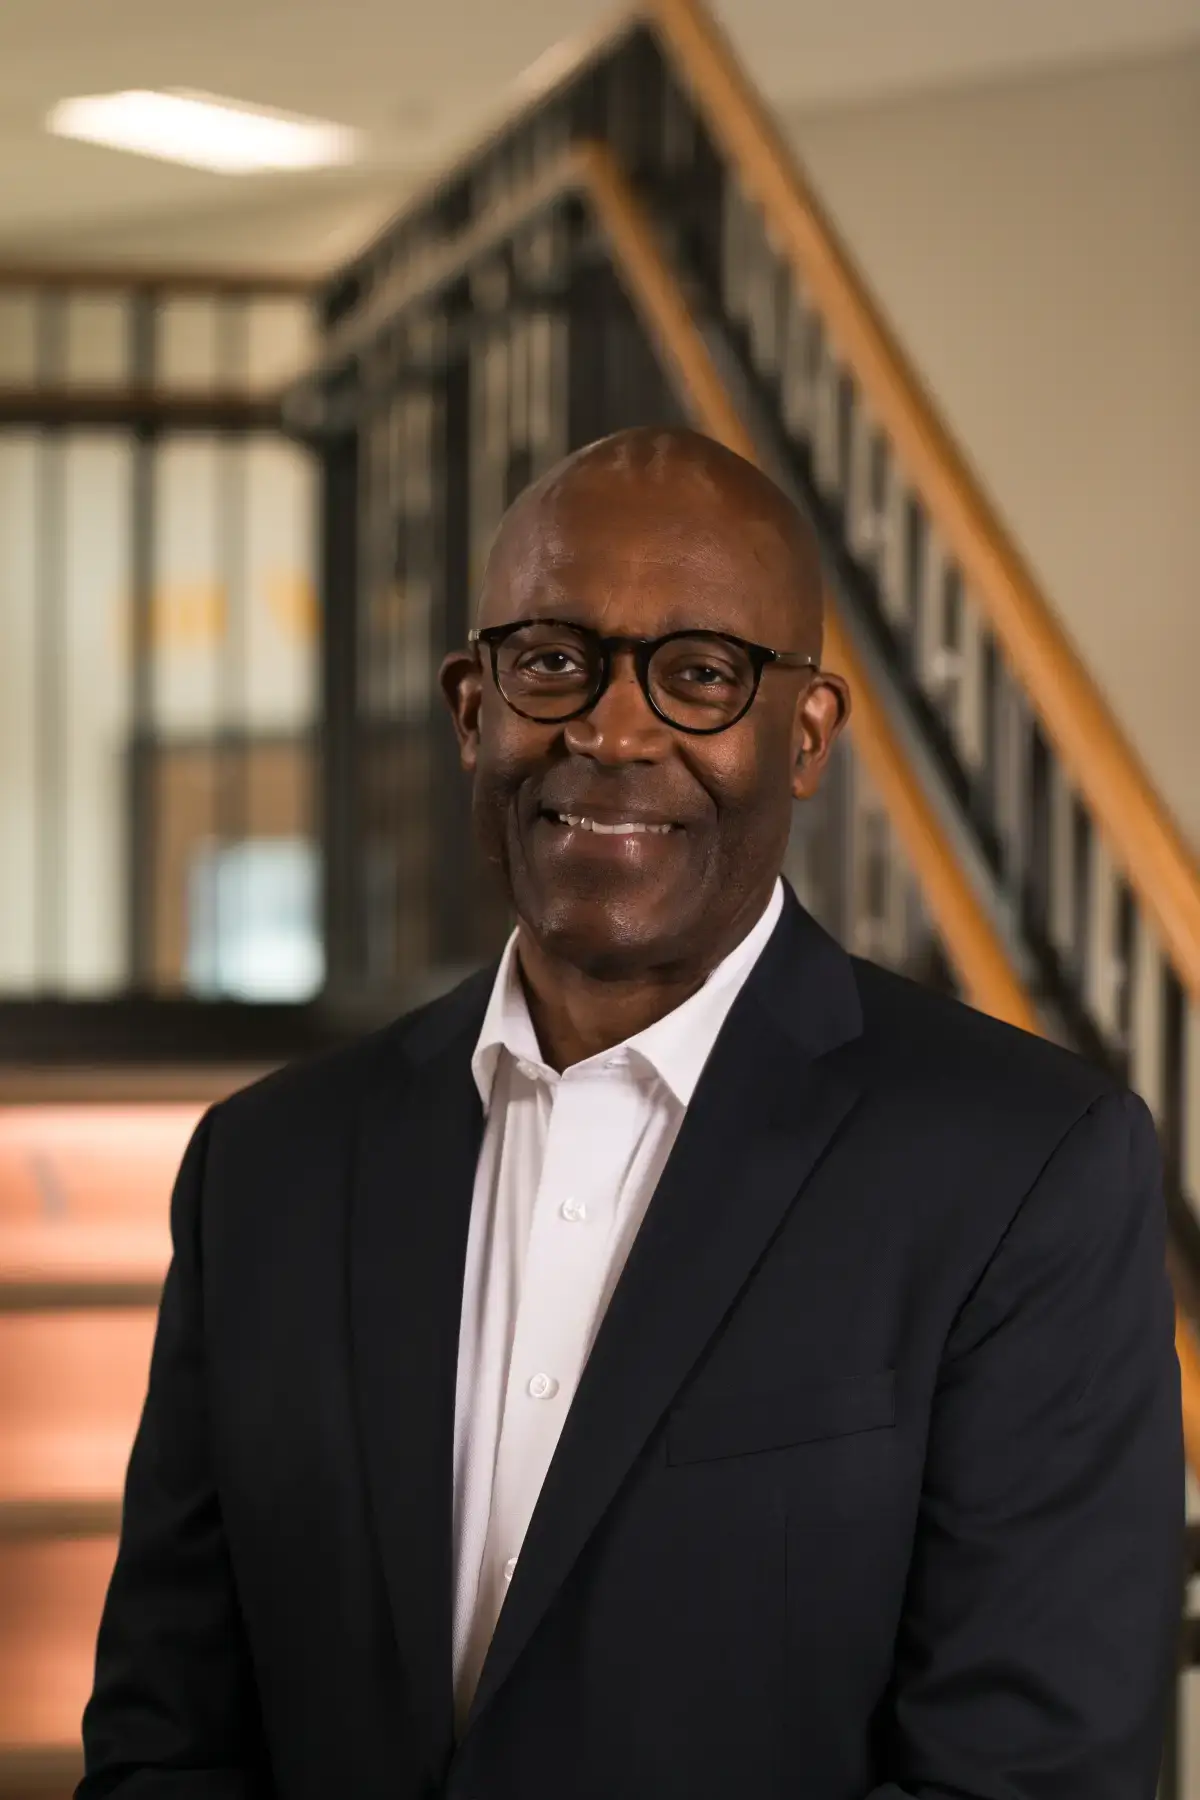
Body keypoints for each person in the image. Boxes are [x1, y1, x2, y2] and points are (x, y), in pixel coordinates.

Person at [79, 428, 1182, 1800]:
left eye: (702, 675)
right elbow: (165, 1738)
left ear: (806, 737)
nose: (611, 728)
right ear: (472, 706)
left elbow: (1035, 1771)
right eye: (554, 660)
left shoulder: (1024, 1168)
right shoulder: (265, 1169)